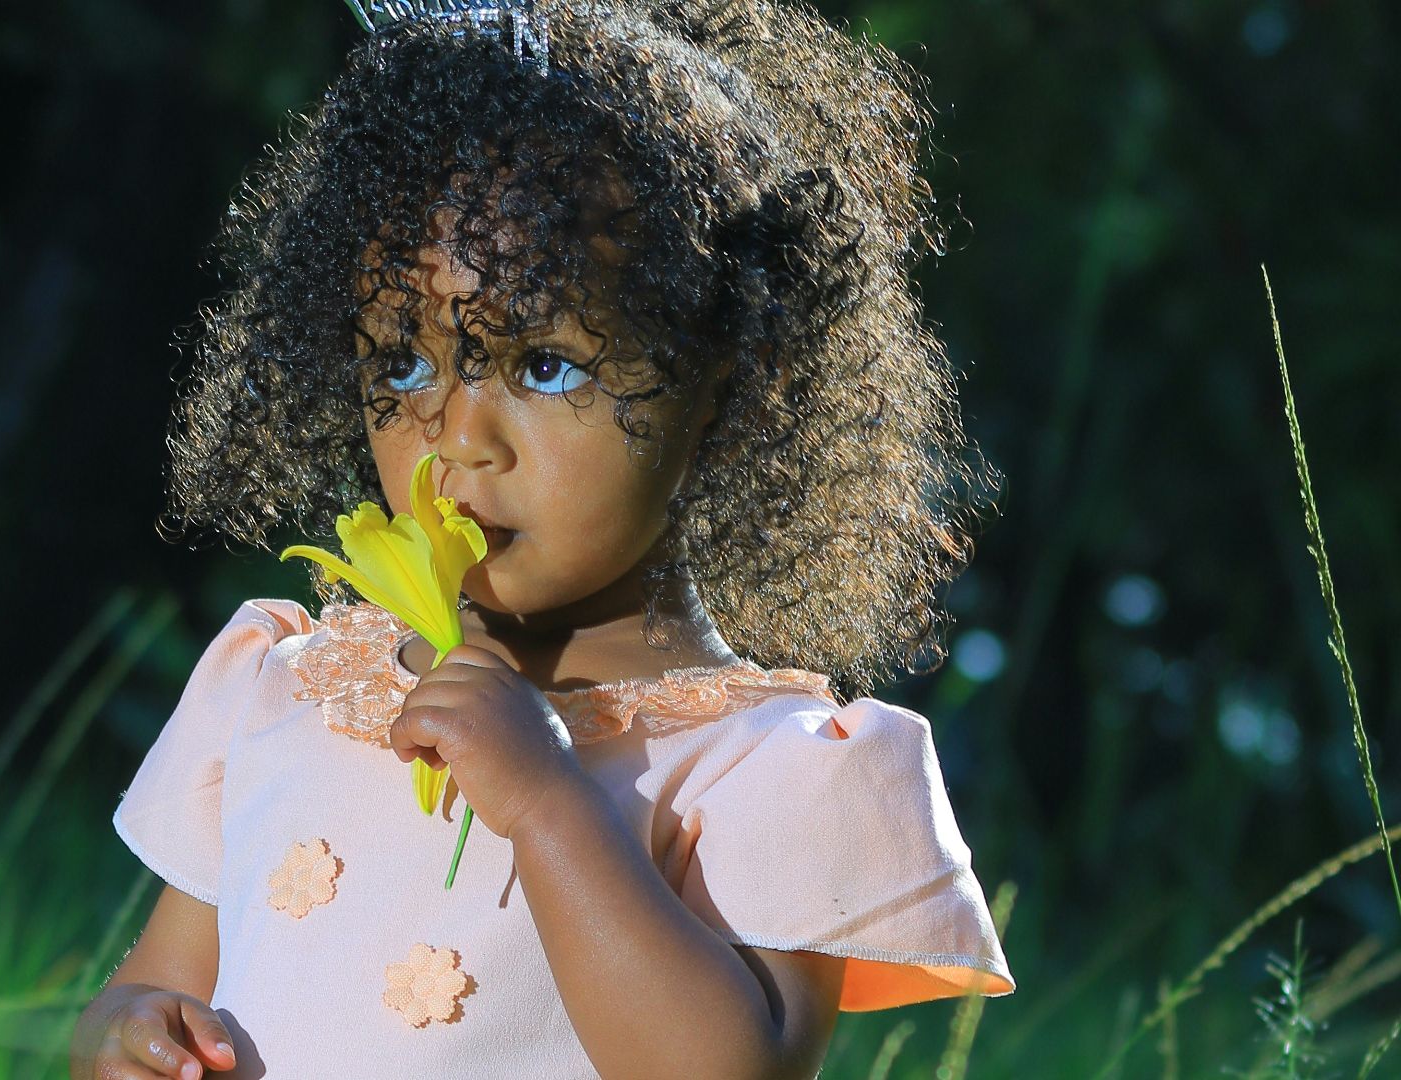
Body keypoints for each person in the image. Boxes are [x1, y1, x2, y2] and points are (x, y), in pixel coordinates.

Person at [72, 1, 1016, 1076]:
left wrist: (550, 805)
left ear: (734, 381)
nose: (458, 438)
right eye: (403, 364)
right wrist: (126, 1032)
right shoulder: (287, 691)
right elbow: (155, 980)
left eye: (544, 365)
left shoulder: (768, 773)